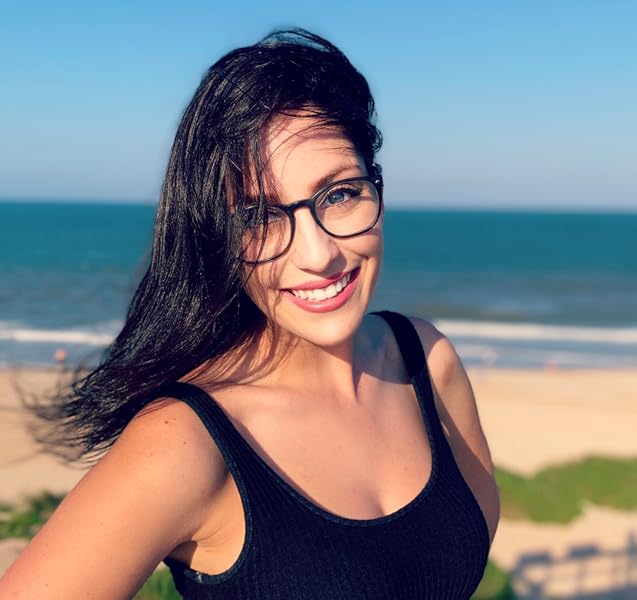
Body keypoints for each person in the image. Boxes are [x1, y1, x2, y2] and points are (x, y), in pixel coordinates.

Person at [0, 29, 499, 599]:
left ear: (376, 187)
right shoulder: (185, 441)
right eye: (259, 217)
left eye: (340, 194)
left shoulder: (427, 360)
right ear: (216, 237)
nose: (319, 255)